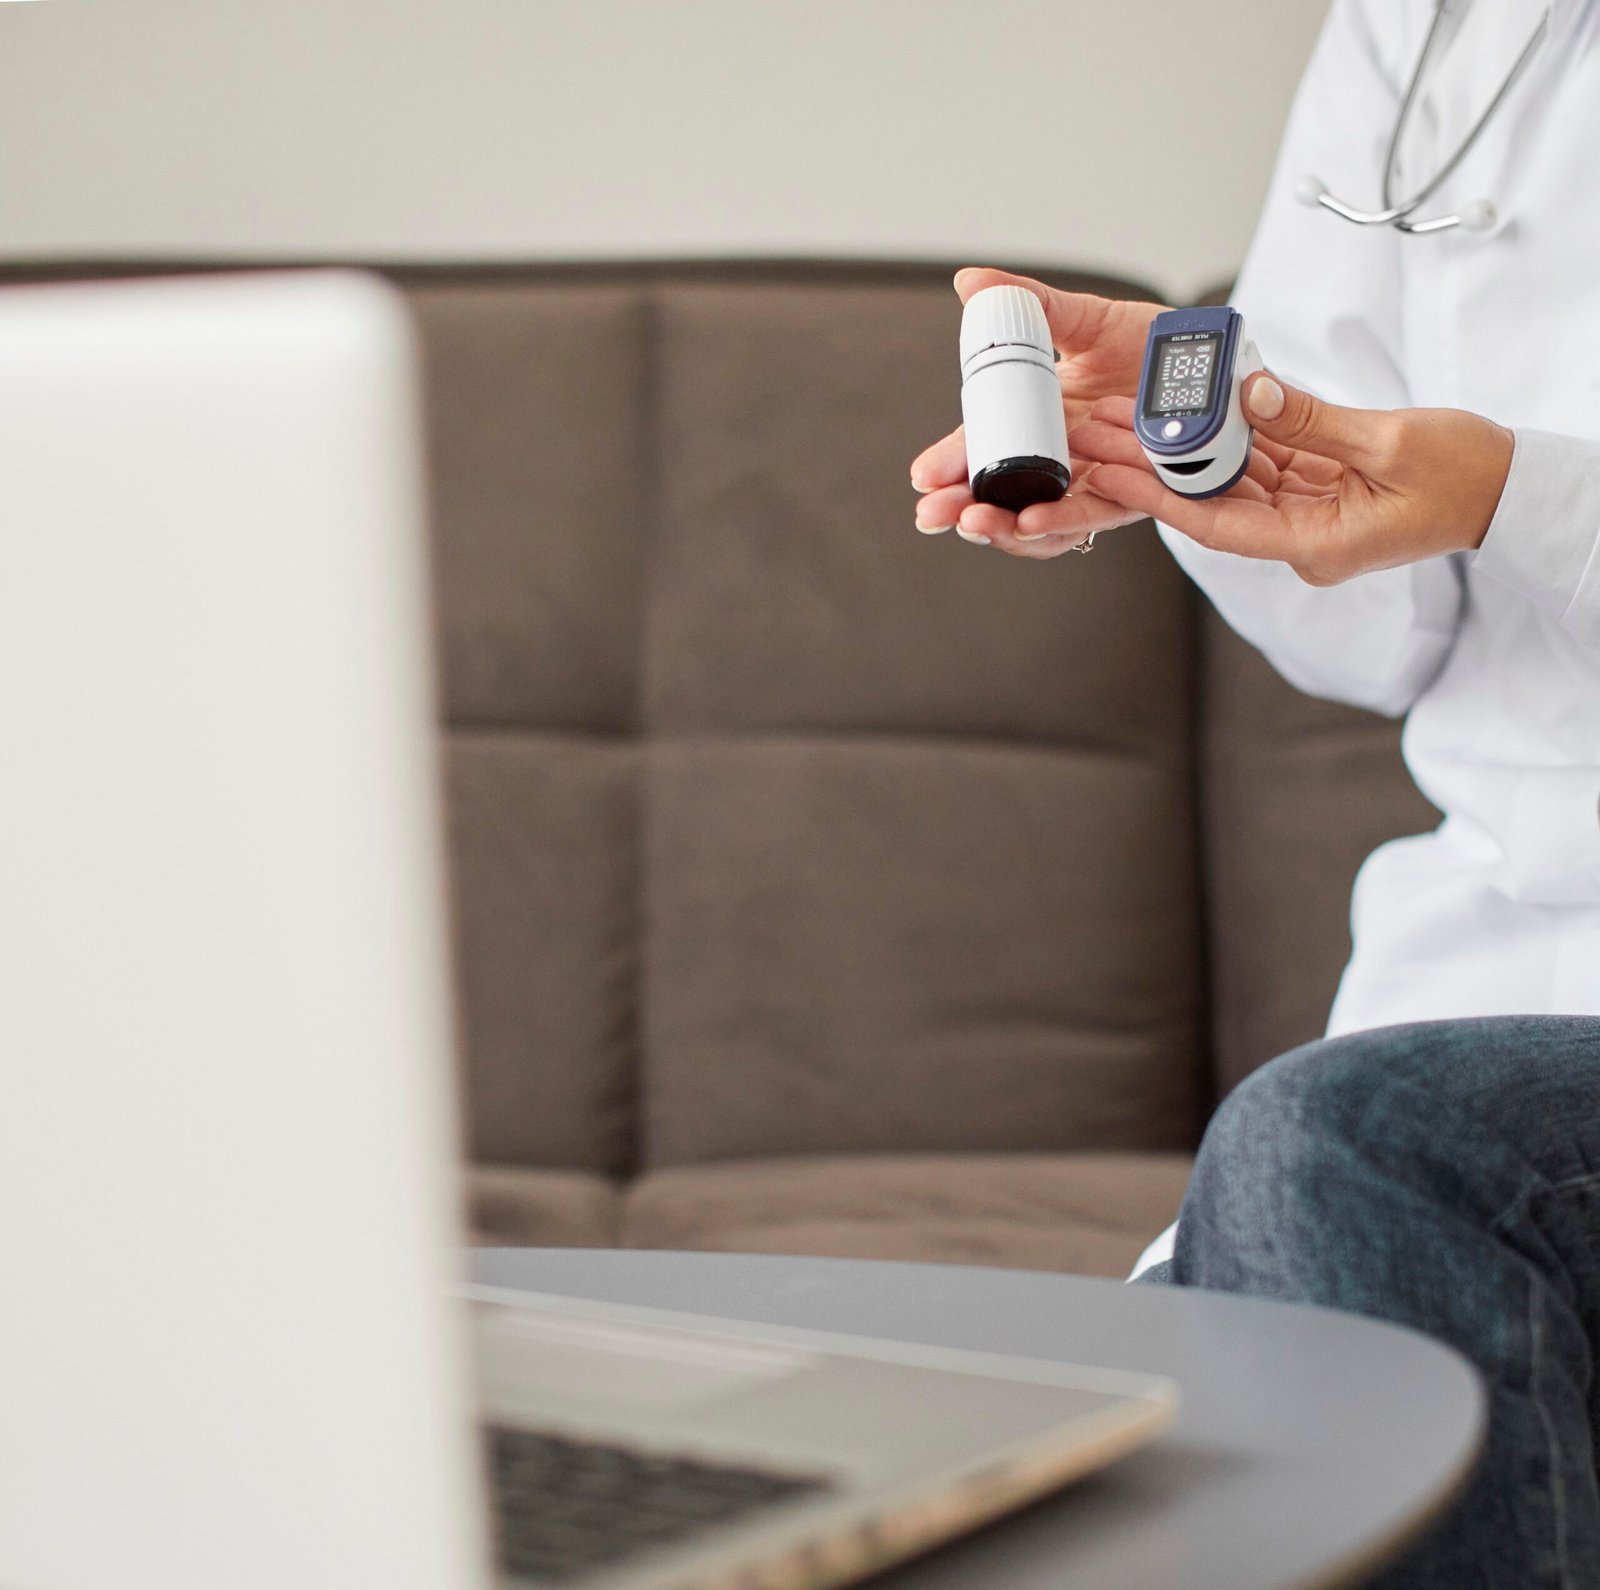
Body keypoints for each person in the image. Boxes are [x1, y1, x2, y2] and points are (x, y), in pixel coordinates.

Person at [910, 1, 1600, 1585]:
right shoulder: (1425, 27)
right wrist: (1211, 467)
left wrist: (1511, 490)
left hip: (1403, 1120)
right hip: (1463, 978)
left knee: (1342, 1152)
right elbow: (1388, 630)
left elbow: (1483, 496)